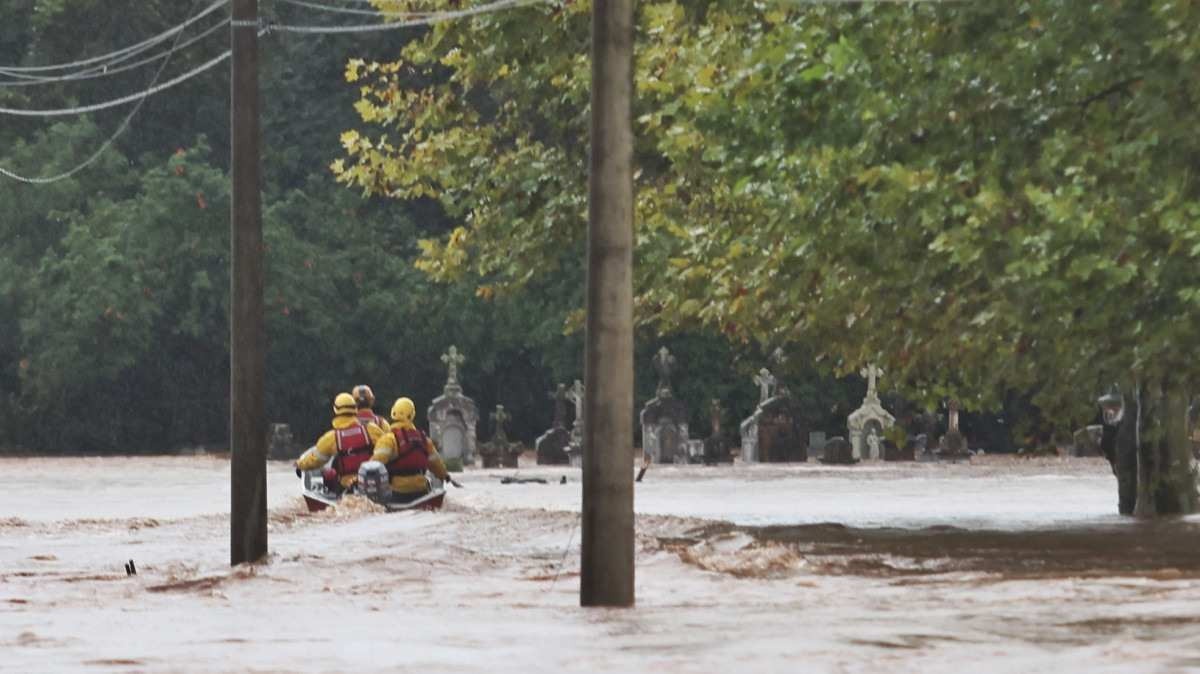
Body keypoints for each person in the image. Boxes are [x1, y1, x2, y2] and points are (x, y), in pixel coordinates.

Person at [358, 397, 455, 503]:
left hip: (397, 492)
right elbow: (436, 464)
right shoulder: (424, 439)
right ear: (412, 415)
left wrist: (358, 480)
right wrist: (445, 476)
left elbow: (373, 465)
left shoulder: (388, 439)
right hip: (421, 490)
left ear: (393, 413)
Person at [295, 392, 390, 492]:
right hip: (371, 484)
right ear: (355, 409)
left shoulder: (331, 437)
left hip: (346, 487)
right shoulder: (371, 429)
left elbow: (315, 460)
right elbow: (389, 447)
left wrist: (300, 464)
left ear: (335, 410)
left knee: (328, 474)